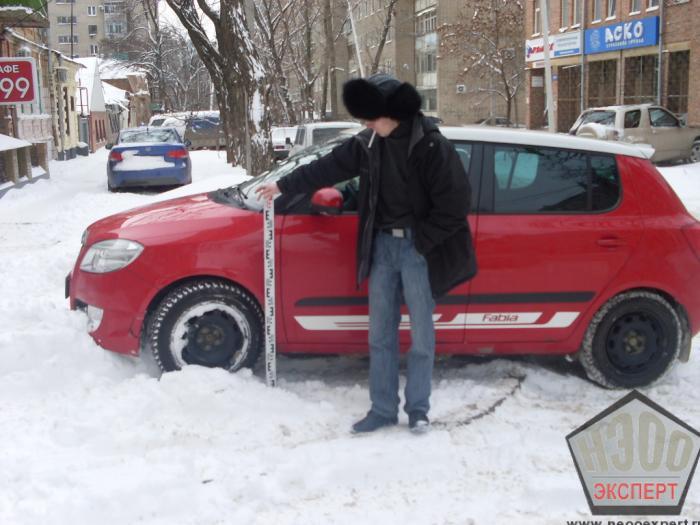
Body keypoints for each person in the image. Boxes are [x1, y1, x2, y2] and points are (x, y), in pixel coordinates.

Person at [255, 74, 476, 434]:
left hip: (418, 251)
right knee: (380, 334)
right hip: (383, 247)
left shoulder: (432, 146)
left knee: (422, 337)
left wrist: (422, 243)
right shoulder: (369, 142)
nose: (367, 124)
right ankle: (383, 409)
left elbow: (455, 205)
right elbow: (326, 167)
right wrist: (282, 184)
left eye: (372, 117)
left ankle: (418, 409)